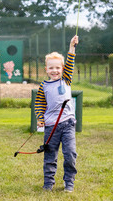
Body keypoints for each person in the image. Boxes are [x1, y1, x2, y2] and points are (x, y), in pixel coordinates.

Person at [34, 35, 79, 192]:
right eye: (51, 68)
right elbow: (39, 104)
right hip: (51, 126)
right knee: (50, 157)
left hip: (67, 124)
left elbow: (71, 62)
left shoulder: (66, 80)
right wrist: (40, 118)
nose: (55, 70)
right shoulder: (43, 86)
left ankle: (69, 182)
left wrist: (71, 46)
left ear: (62, 69)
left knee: (70, 154)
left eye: (58, 67)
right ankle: (48, 183)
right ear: (46, 70)